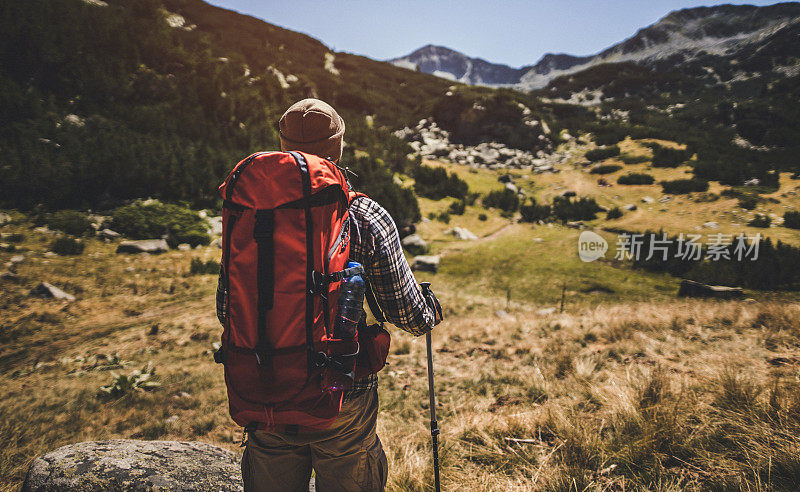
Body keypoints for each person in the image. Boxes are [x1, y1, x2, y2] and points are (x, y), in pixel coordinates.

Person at [216, 98, 439, 491]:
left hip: (263, 385)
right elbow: (409, 315)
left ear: (283, 143)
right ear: (338, 146)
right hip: (341, 389)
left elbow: (226, 307)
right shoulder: (364, 216)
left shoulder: (247, 210)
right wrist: (429, 311)